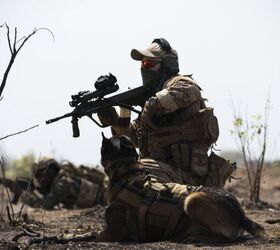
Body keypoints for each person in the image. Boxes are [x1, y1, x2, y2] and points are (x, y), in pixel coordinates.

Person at [98, 38, 234, 187]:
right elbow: (133, 138)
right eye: (142, 64)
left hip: (187, 175)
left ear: (168, 64)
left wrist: (149, 106)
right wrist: (114, 119)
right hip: (163, 170)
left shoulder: (183, 84)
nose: (144, 68)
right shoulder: (152, 99)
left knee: (134, 172)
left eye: (149, 64)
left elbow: (178, 95)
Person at [21, 158, 106, 209]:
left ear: (50, 171)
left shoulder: (63, 182)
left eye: (40, 175)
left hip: (106, 201)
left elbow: (46, 204)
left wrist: (23, 195)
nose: (40, 180)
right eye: (37, 177)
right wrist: (34, 190)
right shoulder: (62, 179)